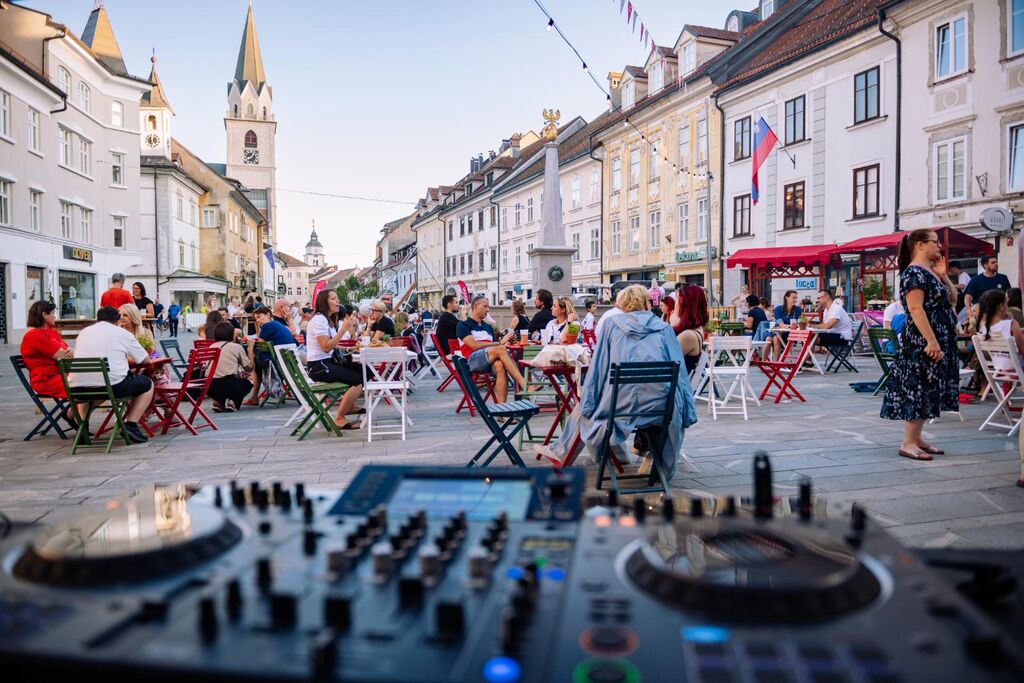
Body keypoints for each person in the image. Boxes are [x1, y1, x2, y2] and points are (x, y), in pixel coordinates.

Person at [534, 285, 698, 475]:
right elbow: (680, 372)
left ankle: (573, 453)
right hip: (660, 406)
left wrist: (588, 401)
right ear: (647, 303)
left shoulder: (612, 326)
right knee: (594, 402)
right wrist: (688, 410)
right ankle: (634, 463)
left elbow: (598, 369)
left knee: (587, 405)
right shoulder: (664, 329)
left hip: (620, 407)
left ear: (623, 305)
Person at [881, 229, 959, 461]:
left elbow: (952, 299)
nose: (939, 248)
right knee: (920, 387)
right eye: (935, 243)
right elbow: (915, 309)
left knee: (930, 387)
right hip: (922, 341)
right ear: (921, 245)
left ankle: (917, 438)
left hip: (937, 337)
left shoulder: (930, 272)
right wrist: (931, 340)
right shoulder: (913, 273)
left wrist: (944, 276)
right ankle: (908, 442)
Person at [69, 306, 154, 444]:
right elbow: (145, 360)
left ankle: (82, 427)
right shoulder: (121, 333)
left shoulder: (84, 333)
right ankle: (131, 424)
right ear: (116, 320)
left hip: (77, 388)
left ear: (98, 318)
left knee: (89, 381)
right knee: (148, 385)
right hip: (112, 386)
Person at [305, 289, 364, 429]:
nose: (338, 301)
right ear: (324, 302)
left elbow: (332, 345)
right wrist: (344, 330)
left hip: (326, 362)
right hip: (319, 367)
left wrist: (347, 349)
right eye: (333, 298)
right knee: (358, 380)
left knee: (363, 370)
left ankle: (349, 405)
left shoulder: (326, 320)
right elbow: (325, 347)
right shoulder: (319, 320)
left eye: (337, 298)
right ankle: (339, 418)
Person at [456, 296, 527, 403]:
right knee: (500, 348)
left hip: (489, 361)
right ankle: (523, 384)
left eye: (488, 307)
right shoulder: (463, 325)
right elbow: (474, 345)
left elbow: (495, 347)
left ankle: (501, 411)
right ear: (475, 306)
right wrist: (500, 342)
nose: (488, 310)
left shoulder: (488, 327)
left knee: (499, 365)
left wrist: (507, 341)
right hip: (472, 361)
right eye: (485, 306)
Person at [20, 301, 74, 408]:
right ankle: (75, 418)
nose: (55, 317)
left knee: (94, 384)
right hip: (47, 380)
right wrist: (70, 352)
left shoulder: (50, 332)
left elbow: (67, 351)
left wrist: (71, 352)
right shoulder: (34, 335)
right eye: (53, 313)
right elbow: (63, 355)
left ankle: (73, 416)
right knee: (88, 387)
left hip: (60, 375)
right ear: (44, 315)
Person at [244, 306, 297, 406]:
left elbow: (260, 343)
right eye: (256, 319)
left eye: (259, 317)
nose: (258, 321)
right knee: (259, 362)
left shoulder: (267, 326)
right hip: (290, 364)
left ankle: (254, 397)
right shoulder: (277, 324)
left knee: (256, 365)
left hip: (279, 365)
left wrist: (250, 347)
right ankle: (255, 397)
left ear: (268, 315)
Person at [207, 322, 252, 412]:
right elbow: (249, 368)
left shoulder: (211, 346)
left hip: (210, 387)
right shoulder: (236, 347)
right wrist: (250, 349)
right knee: (248, 383)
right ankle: (233, 402)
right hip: (230, 386)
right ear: (231, 334)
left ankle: (219, 402)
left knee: (222, 382)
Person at [976, 289, 1024, 369]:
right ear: (1001, 306)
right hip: (1018, 371)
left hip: (999, 371)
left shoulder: (984, 328)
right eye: (1006, 303)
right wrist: (1010, 322)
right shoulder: (1012, 324)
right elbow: (1022, 351)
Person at [964, 255, 1011, 321]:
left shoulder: (1003, 278)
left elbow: (1008, 295)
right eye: (993, 262)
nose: (996, 264)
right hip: (981, 315)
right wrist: (968, 309)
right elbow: (968, 297)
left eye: (996, 262)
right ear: (985, 265)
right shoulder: (976, 280)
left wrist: (1007, 309)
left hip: (999, 314)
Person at [770, 290, 802, 360]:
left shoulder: (798, 309)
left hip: (791, 334)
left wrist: (800, 324)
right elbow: (781, 324)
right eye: (793, 298)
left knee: (807, 337)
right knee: (776, 338)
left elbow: (800, 322)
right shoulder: (778, 309)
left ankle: (805, 361)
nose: (795, 300)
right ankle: (776, 362)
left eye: (796, 298)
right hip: (779, 333)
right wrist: (791, 326)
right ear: (786, 298)